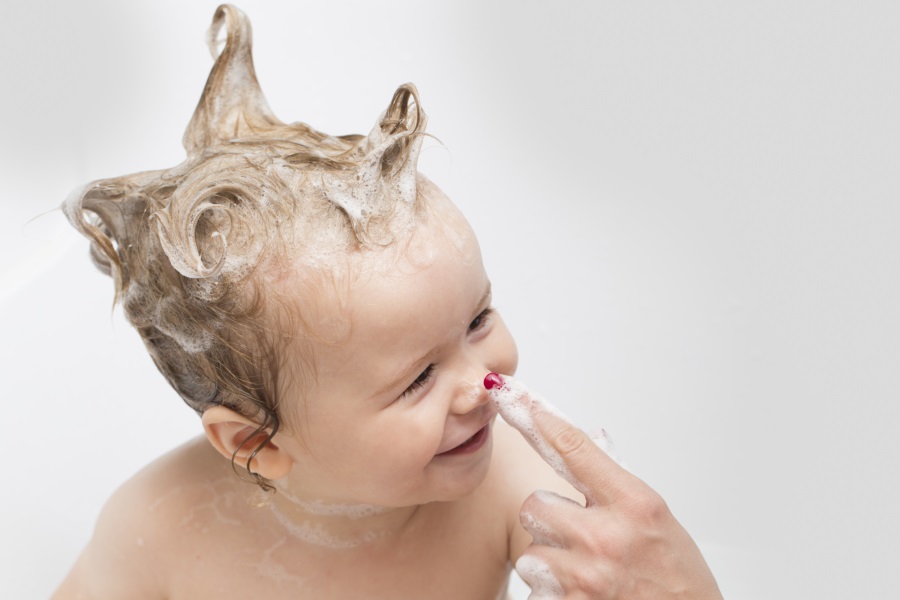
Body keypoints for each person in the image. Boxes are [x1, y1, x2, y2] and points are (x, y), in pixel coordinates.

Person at [53, 5, 723, 599]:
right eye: (419, 379)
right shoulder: (158, 525)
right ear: (257, 443)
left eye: (478, 319)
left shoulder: (510, 489)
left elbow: (623, 569)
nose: (482, 385)